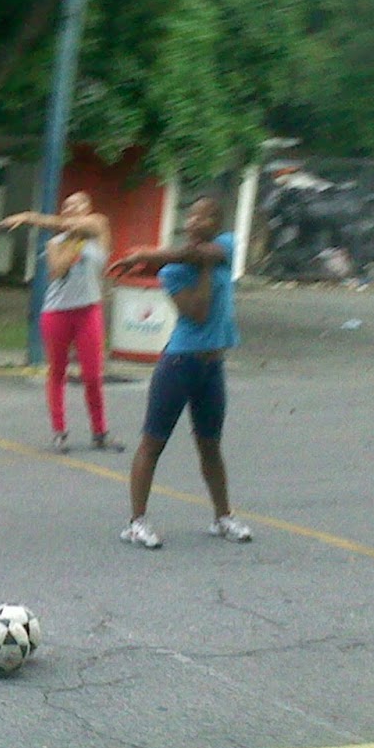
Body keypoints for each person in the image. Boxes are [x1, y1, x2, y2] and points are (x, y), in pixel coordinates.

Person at [108, 196, 253, 549]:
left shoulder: (227, 245)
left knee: (210, 445)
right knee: (153, 441)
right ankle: (137, 522)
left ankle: (223, 517)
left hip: (212, 366)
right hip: (180, 363)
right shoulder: (172, 272)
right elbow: (198, 313)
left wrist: (148, 254)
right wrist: (198, 266)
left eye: (203, 216)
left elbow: (209, 253)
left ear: (217, 223)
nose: (193, 221)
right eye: (190, 215)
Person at [0, 193, 125, 453]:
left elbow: (81, 226)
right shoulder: (56, 243)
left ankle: (100, 432)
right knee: (57, 371)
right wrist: (72, 242)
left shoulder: (99, 225)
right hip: (57, 312)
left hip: (88, 310)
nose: (71, 208)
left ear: (88, 208)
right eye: (67, 206)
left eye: (78, 204)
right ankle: (59, 431)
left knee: (93, 375)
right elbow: (58, 270)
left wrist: (29, 217)